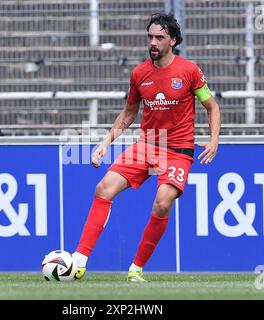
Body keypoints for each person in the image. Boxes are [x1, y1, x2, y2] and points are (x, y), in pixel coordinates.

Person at [71, 13, 221, 282]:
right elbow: (129, 114)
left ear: (172, 41)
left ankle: (136, 269)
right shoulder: (140, 74)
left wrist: (213, 140)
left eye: (159, 37)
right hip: (148, 144)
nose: (153, 42)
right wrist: (106, 143)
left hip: (178, 148)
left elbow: (212, 106)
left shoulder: (189, 71)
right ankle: (79, 261)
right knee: (104, 187)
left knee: (163, 203)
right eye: (150, 37)